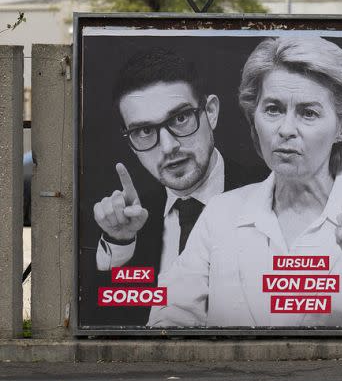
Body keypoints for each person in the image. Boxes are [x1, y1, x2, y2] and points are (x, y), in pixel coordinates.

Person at [147, 36, 342, 328]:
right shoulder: (220, 213)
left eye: (308, 113)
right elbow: (168, 318)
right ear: (255, 117)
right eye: (273, 109)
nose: (286, 130)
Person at [92, 48, 263, 325]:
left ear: (211, 112)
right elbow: (106, 328)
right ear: (131, 144)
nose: (169, 147)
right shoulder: (127, 223)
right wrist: (121, 244)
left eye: (180, 118)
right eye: (144, 131)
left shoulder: (274, 192)